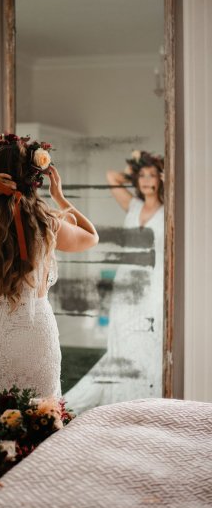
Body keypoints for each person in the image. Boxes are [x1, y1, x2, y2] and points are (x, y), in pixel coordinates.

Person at [0, 133, 98, 416]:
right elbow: (91, 237)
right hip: (32, 340)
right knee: (34, 431)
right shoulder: (47, 224)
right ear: (34, 180)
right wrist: (60, 198)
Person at [65, 150, 164, 413]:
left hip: (154, 285)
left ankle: (145, 403)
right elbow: (112, 177)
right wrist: (138, 166)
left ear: (161, 179)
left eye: (151, 176)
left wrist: (154, 170)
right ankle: (119, 402)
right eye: (141, 176)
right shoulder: (133, 206)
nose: (145, 181)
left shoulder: (169, 209)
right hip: (127, 284)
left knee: (146, 342)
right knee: (123, 341)